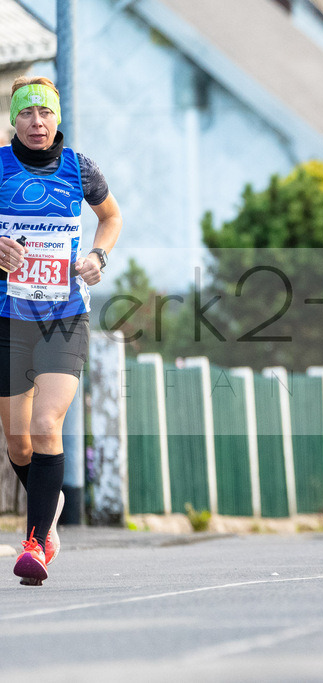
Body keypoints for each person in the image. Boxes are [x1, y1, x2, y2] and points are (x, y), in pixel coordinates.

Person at [2, 77, 123, 585]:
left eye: (45, 114)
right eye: (27, 114)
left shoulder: (80, 168)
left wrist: (98, 255)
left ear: (57, 120)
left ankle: (36, 541)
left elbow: (111, 217)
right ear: (14, 120)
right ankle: (46, 509)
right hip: (8, 316)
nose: (37, 123)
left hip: (64, 315)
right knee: (17, 443)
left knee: (47, 426)